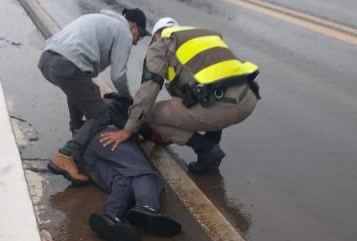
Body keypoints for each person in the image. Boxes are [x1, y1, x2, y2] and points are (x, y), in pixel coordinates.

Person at [99, 17, 261, 174]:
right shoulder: (204, 34)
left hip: (217, 110)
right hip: (248, 101)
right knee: (213, 90)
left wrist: (128, 129)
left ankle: (206, 149)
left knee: (149, 114)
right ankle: (213, 142)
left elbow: (149, 90)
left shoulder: (161, 43)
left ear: (156, 35)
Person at [38, 8, 151, 185]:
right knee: (100, 115)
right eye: (140, 36)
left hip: (47, 61)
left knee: (81, 89)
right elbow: (118, 75)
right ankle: (66, 155)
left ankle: (76, 131)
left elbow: (78, 88)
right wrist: (127, 98)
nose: (137, 42)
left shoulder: (98, 18)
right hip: (68, 65)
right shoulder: (123, 32)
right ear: (134, 26)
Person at [83, 96, 182, 241]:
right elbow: (149, 131)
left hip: (89, 156)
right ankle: (146, 206)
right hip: (109, 136)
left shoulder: (96, 113)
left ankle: (110, 216)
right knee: (144, 174)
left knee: (124, 182)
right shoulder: (124, 110)